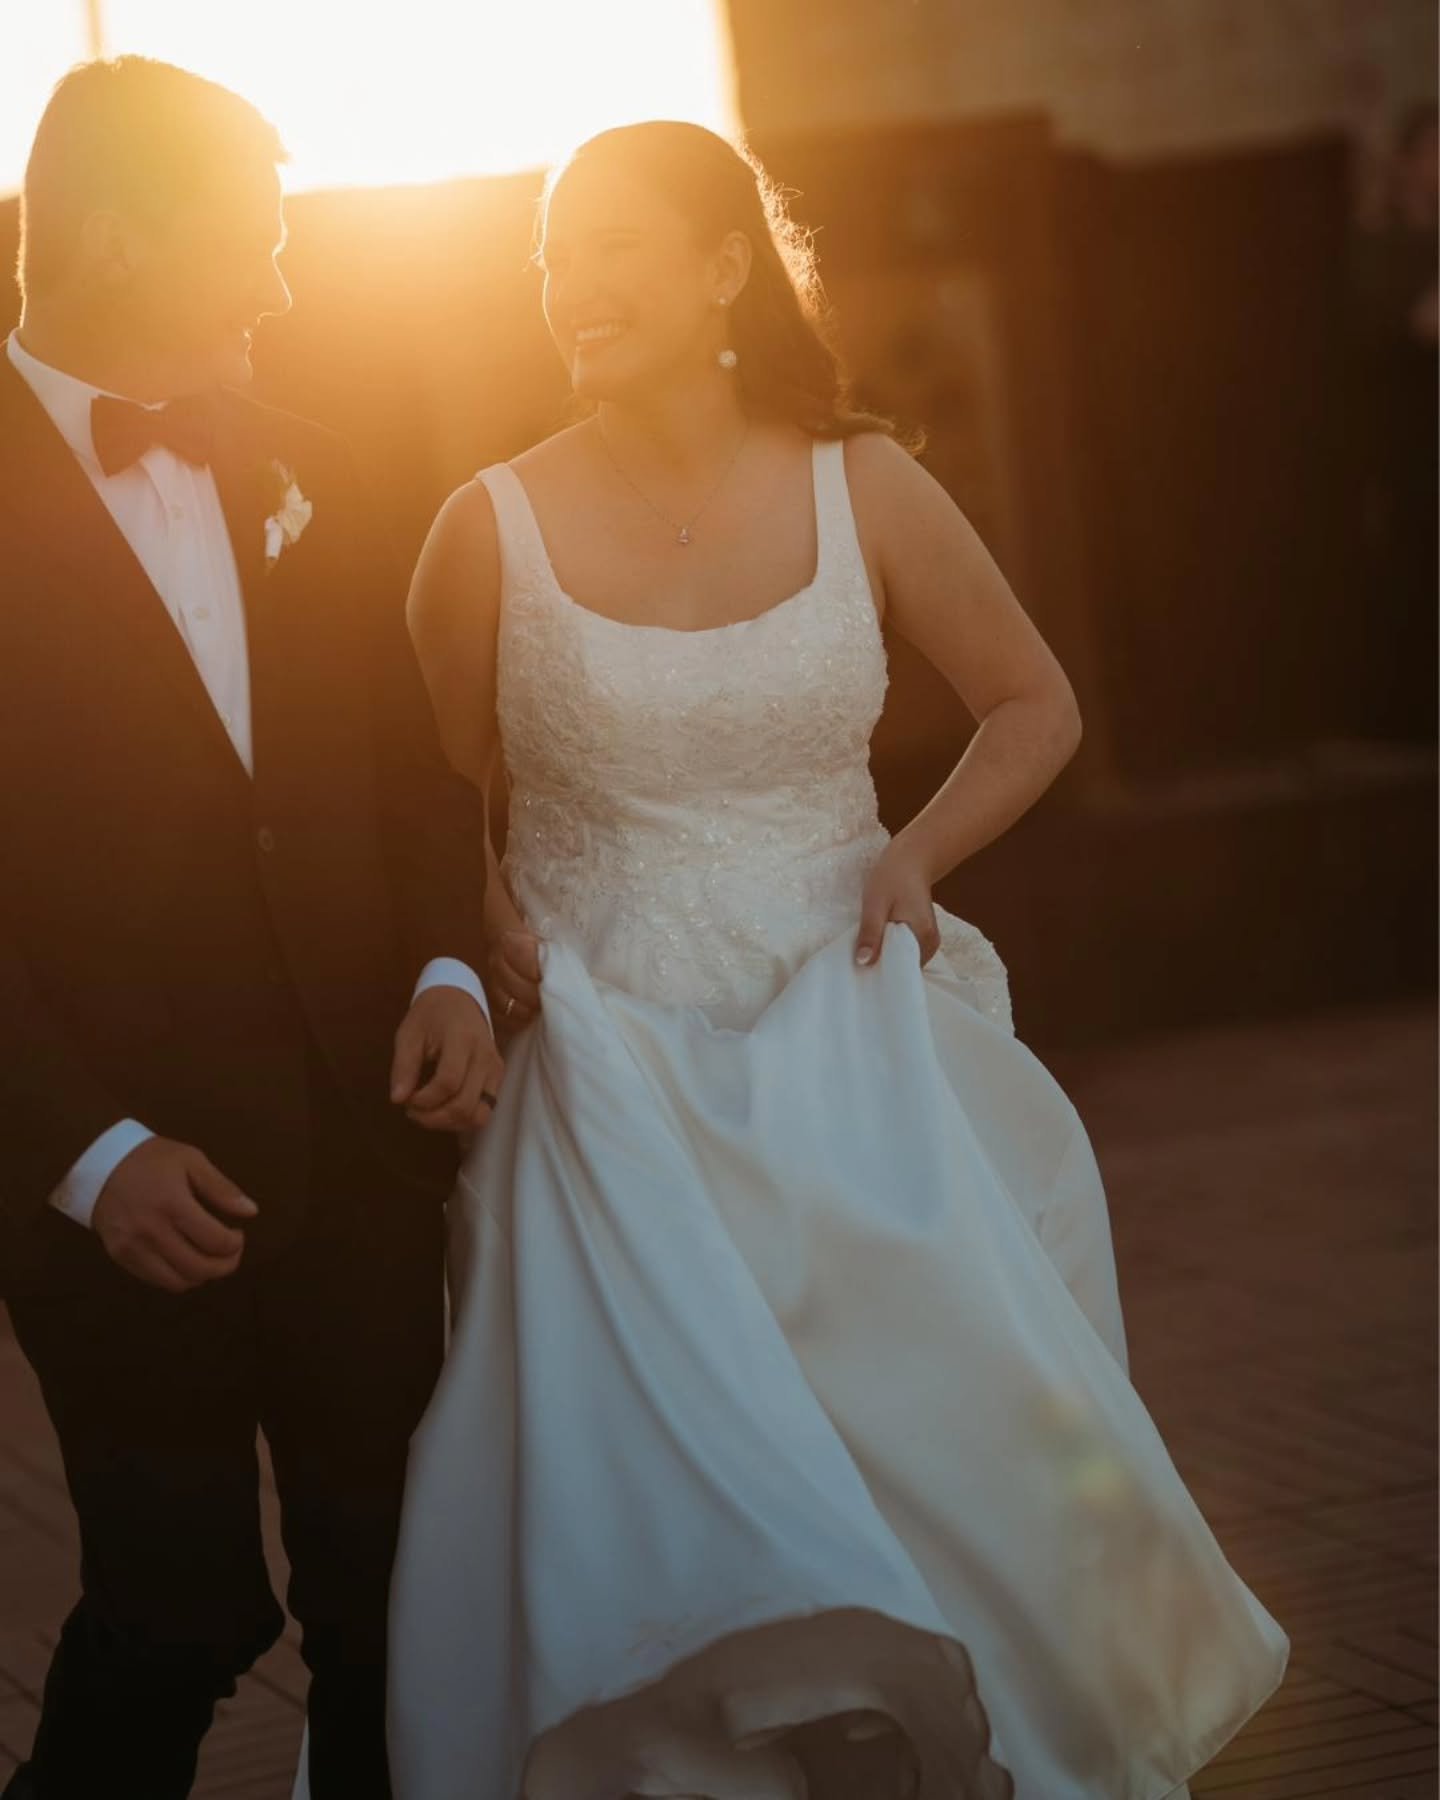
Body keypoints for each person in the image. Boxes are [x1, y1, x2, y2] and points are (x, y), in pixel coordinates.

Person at [383, 121, 1288, 1798]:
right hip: (608, 1059)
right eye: (552, 258)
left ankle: (985, 1739)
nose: (572, 287)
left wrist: (914, 851)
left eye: (613, 249)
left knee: (929, 1419)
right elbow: (434, 801)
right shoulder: (483, 530)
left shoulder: (860, 479)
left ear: (727, 263)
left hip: (850, 1020)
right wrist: (483, 916)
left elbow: (1037, 704)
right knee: (665, 1467)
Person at [0, 58, 502, 1800]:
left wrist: (448, 967)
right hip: (127, 1200)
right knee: (173, 1611)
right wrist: (86, 1152)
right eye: (253, 243)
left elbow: (410, 778)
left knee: (394, 1610)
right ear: (125, 239)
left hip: (364, 1153)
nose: (282, 289)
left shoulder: (320, 471)